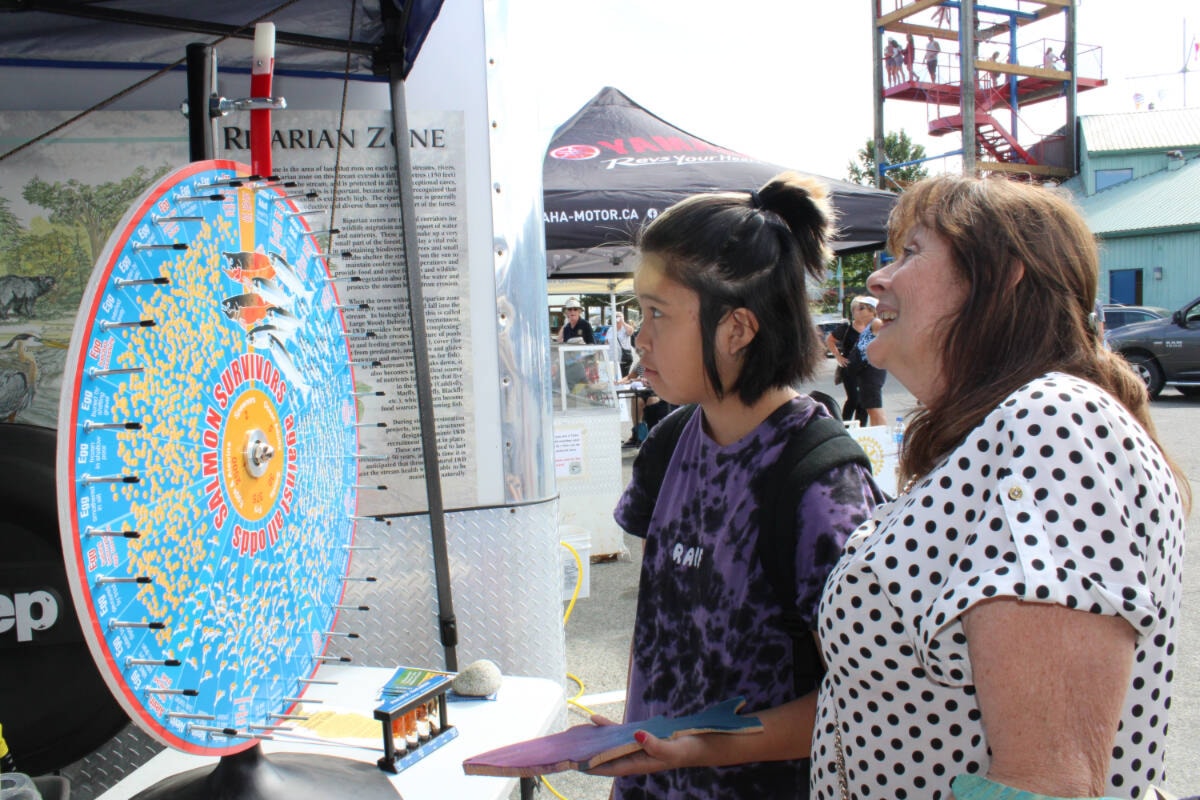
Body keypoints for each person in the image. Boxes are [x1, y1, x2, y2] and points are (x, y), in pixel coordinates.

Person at [810, 175, 1189, 800]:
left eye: (911, 253)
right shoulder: (1005, 430)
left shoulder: (1054, 420)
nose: (878, 280)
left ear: (1003, 276)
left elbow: (1048, 784)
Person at [590, 172, 883, 798]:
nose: (640, 339)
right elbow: (666, 636)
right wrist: (641, 733)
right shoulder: (667, 445)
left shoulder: (821, 482)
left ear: (738, 330)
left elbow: (860, 700)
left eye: (657, 314)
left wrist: (695, 749)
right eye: (639, 314)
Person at [825, 296, 887, 428]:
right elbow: (830, 340)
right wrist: (839, 357)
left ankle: (880, 436)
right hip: (859, 371)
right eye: (856, 308)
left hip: (871, 371)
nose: (857, 311)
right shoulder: (866, 326)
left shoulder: (876, 323)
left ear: (872, 310)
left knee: (873, 407)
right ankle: (859, 431)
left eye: (861, 308)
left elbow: (890, 336)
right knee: (865, 405)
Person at [610, 311, 635, 375]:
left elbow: (630, 332)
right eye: (615, 317)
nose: (617, 318)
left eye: (618, 316)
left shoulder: (625, 328)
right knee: (614, 377)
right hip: (613, 359)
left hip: (624, 358)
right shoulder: (610, 329)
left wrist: (622, 322)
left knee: (623, 376)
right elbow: (606, 342)